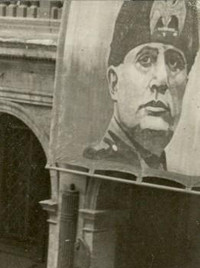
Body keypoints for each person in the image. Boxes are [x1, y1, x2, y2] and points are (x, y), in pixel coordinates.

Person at [84, 0, 199, 171]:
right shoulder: (101, 164)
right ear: (114, 83)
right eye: (145, 60)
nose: (161, 80)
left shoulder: (158, 164)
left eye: (174, 63)